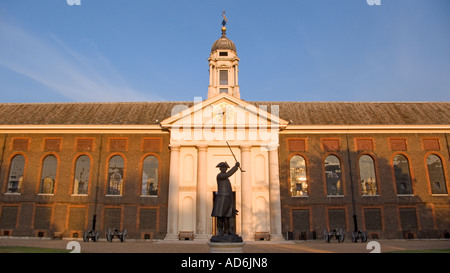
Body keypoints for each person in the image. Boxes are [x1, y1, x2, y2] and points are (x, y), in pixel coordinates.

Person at [210, 161, 242, 242]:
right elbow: (228, 174)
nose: (224, 169)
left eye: (225, 168)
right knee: (220, 216)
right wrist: (236, 167)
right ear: (220, 169)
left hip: (228, 198)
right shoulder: (220, 176)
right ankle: (220, 232)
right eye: (223, 167)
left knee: (230, 215)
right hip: (222, 198)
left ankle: (230, 232)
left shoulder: (226, 179)